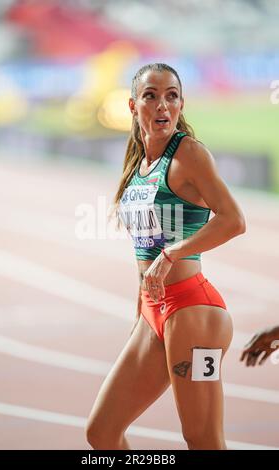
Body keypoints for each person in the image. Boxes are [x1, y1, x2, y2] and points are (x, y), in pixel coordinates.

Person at [85, 63, 246, 450]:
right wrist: (139, 316)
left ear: (181, 103)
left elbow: (234, 220)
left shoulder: (189, 154)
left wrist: (172, 252)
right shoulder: (138, 168)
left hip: (194, 312)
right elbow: (142, 257)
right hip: (152, 313)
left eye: (171, 96)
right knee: (102, 434)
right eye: (151, 95)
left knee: (203, 440)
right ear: (132, 105)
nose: (162, 105)